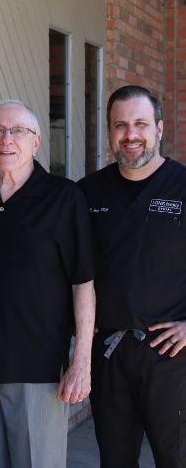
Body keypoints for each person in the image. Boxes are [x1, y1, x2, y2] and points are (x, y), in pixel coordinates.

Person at [0, 99, 96, 468]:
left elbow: (83, 282)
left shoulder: (64, 197)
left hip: (38, 371)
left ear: (36, 141)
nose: (7, 139)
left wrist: (80, 361)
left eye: (18, 130)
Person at [78, 85, 186, 468]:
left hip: (171, 355)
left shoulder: (182, 186)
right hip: (108, 351)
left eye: (140, 123)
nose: (130, 134)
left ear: (159, 128)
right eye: (120, 125)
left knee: (174, 458)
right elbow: (72, 267)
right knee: (116, 459)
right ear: (109, 132)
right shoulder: (88, 192)